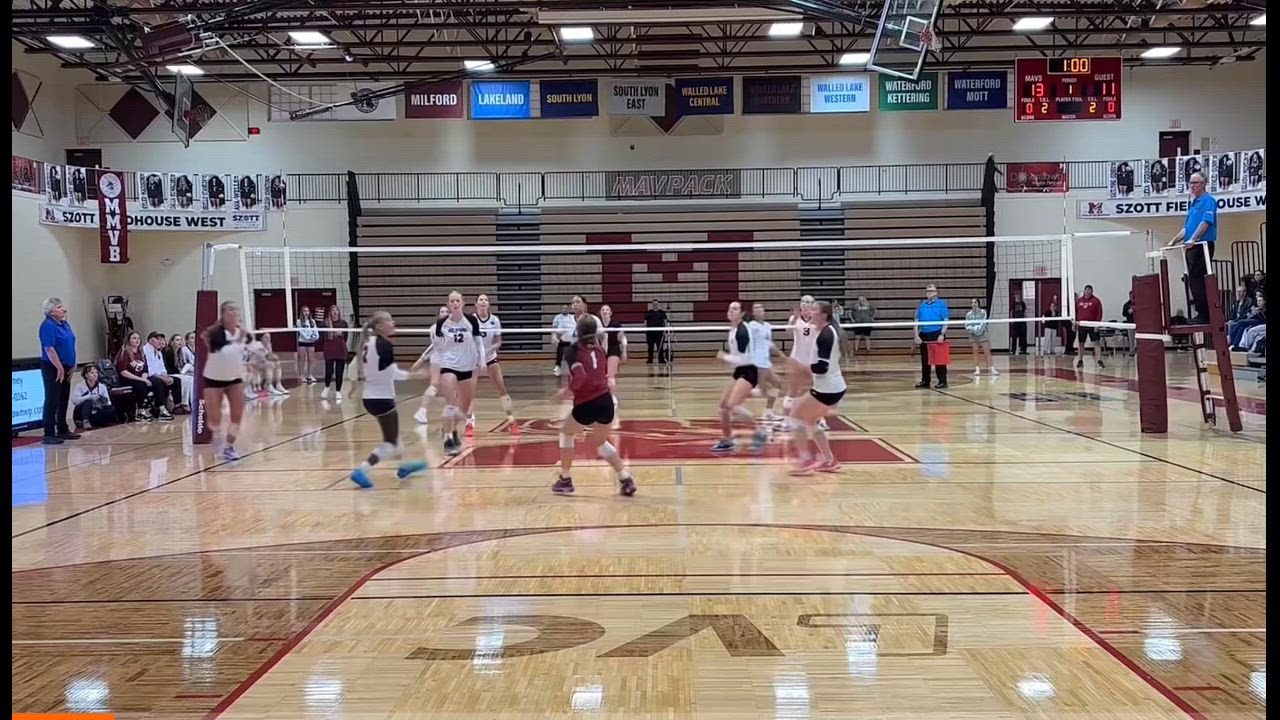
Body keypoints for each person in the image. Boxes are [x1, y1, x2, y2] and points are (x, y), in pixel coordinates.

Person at [551, 314, 637, 497]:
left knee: (566, 433)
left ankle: (565, 479)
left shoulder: (572, 350)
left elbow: (581, 376)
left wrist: (567, 391)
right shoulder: (599, 349)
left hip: (587, 403)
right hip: (606, 401)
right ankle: (625, 478)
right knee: (600, 441)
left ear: (578, 330)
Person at [349, 311, 429, 488]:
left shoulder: (367, 343)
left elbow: (359, 369)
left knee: (394, 435)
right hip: (382, 399)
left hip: (370, 398)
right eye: (389, 321)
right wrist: (417, 375)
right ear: (379, 326)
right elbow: (394, 374)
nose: (393, 322)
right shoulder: (384, 345)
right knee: (390, 442)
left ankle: (403, 467)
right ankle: (363, 469)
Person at [788, 300, 847, 476]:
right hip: (830, 387)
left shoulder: (825, 336)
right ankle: (830, 460)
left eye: (814, 310)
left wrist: (801, 367)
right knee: (809, 421)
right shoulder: (824, 331)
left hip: (827, 389)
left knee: (795, 416)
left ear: (823, 315)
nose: (810, 312)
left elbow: (822, 368)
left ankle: (805, 462)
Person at [711, 301, 769, 455]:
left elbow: (746, 358)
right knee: (724, 406)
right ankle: (727, 440)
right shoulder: (733, 329)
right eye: (730, 308)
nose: (731, 311)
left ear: (742, 314)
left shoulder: (742, 331)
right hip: (739, 370)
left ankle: (760, 431)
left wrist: (724, 357)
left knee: (733, 406)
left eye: (735, 309)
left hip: (749, 370)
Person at [434, 291, 484, 456]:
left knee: (463, 408)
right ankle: (447, 439)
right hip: (448, 364)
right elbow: (437, 347)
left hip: (467, 365)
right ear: (448, 304)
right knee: (450, 403)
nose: (455, 304)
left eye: (457, 301)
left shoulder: (471, 321)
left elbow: (479, 342)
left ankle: (451, 429)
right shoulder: (442, 323)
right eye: (452, 301)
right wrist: (436, 367)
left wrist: (482, 360)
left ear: (463, 303)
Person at [1167, 172, 1217, 323]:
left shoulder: (1209, 201)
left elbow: (1206, 222)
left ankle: (1205, 315)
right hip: (1192, 248)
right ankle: (1201, 313)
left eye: (1195, 183)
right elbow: (1186, 228)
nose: (1192, 186)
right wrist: (1173, 241)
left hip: (1202, 246)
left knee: (1198, 279)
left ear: (1203, 184)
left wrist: (1194, 239)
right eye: (1191, 183)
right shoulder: (1193, 203)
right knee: (1193, 280)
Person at [202, 301, 248, 461]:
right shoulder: (214, 333)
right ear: (223, 314)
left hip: (234, 378)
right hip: (214, 378)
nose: (234, 312)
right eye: (230, 309)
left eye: (236, 309)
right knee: (215, 417)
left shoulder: (242, 334)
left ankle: (229, 447)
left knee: (237, 416)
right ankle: (216, 435)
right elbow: (212, 342)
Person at [467, 293, 517, 433]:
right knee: (470, 392)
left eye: (485, 300)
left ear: (488, 304)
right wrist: (477, 353)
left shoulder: (495, 320)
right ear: (476, 304)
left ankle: (511, 420)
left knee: (502, 388)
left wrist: (486, 351)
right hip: (474, 360)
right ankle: (469, 423)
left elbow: (498, 342)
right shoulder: (470, 320)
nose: (483, 302)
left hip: (490, 358)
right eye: (480, 300)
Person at [38, 297, 80, 444]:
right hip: (53, 367)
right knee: (52, 398)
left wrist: (74, 363)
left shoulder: (65, 324)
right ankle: (48, 433)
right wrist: (59, 367)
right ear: (51, 311)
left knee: (63, 398)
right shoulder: (48, 326)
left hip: (66, 366)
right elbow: (49, 348)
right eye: (59, 307)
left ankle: (62, 428)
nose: (64, 310)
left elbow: (71, 343)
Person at [412, 306, 450, 427]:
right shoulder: (434, 328)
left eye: (447, 311)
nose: (444, 313)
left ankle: (450, 412)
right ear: (438, 314)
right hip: (438, 358)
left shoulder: (454, 327)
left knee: (450, 386)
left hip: (450, 359)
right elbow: (435, 346)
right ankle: (422, 411)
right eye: (442, 311)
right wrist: (422, 358)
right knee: (434, 385)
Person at [116, 331, 166, 421]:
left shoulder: (141, 353)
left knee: (157, 381)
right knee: (141, 385)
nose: (137, 340)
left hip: (141, 377)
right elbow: (123, 372)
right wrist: (141, 380)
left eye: (138, 338)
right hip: (128, 378)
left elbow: (145, 369)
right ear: (128, 340)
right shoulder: (124, 352)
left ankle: (161, 408)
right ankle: (140, 411)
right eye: (134, 338)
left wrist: (144, 378)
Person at [748, 302, 784, 421]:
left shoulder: (768, 326)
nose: (758, 310)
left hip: (766, 361)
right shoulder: (751, 326)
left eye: (760, 308)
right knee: (766, 388)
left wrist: (781, 354)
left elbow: (769, 343)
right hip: (757, 361)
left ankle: (768, 412)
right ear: (753, 313)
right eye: (756, 308)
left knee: (777, 383)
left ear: (764, 311)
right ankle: (739, 397)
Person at [783, 295, 817, 420]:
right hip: (796, 358)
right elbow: (787, 331)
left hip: (812, 359)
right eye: (803, 302)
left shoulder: (817, 319)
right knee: (792, 389)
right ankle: (786, 419)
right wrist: (794, 320)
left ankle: (818, 418)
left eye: (808, 303)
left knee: (816, 389)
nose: (805, 305)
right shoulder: (794, 318)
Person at [914, 284, 950, 389]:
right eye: (928, 291)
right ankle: (925, 381)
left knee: (939, 359)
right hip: (924, 334)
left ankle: (942, 381)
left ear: (936, 292)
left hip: (937, 333)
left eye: (931, 291)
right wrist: (916, 335)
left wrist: (942, 334)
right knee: (925, 360)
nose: (929, 293)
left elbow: (946, 320)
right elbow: (916, 321)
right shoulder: (922, 305)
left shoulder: (941, 304)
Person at [599, 304, 627, 422]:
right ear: (600, 313)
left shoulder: (616, 324)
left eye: (607, 310)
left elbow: (623, 338)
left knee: (610, 377)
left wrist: (624, 351)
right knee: (601, 379)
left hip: (614, 352)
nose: (605, 311)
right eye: (603, 310)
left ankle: (613, 400)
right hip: (600, 353)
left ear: (610, 313)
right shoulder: (598, 325)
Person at [72, 365, 118, 430]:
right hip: (83, 411)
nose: (95, 375)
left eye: (96, 373)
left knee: (111, 409)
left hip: (96, 409)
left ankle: (97, 421)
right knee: (88, 401)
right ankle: (85, 421)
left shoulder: (102, 386)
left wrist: (101, 401)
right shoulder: (80, 386)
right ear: (86, 375)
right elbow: (75, 401)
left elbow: (108, 402)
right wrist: (89, 397)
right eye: (92, 373)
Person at [320, 305, 348, 399]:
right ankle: (326, 387)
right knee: (329, 371)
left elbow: (345, 337)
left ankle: (338, 391)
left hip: (340, 350)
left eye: (336, 310)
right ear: (330, 312)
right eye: (333, 310)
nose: (335, 312)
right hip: (329, 350)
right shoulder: (325, 323)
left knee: (339, 372)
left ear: (339, 312)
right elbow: (320, 334)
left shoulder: (344, 323)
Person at [1074, 285, 1105, 369]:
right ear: (1084, 291)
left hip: (1092, 325)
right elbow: (1075, 313)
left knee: (1096, 343)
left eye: (1089, 290)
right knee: (1081, 343)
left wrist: (1097, 324)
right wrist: (1074, 323)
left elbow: (1099, 313)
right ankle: (1080, 360)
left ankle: (1099, 360)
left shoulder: (1096, 301)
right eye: (1086, 290)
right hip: (1082, 325)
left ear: (1092, 291)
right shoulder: (1079, 301)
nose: (1087, 291)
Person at [965, 299, 997, 376]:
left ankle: (992, 369)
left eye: (975, 302)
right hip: (973, 335)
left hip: (982, 334)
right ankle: (977, 369)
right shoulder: (968, 314)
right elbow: (967, 325)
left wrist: (978, 330)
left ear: (978, 303)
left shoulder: (983, 312)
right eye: (972, 303)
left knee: (987, 352)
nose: (973, 304)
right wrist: (973, 330)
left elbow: (983, 323)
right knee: (975, 352)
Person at [296, 306, 320, 383]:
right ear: (302, 312)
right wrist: (307, 337)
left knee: (311, 359)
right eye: (304, 311)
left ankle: (310, 375)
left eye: (307, 311)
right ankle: (301, 375)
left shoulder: (312, 321)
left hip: (311, 342)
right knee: (302, 359)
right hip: (302, 341)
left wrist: (316, 337)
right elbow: (301, 331)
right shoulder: (299, 321)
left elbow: (315, 330)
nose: (306, 312)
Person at [550, 304, 575, 376]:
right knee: (560, 352)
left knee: (571, 354)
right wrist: (554, 337)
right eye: (563, 308)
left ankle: (573, 368)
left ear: (568, 309)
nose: (565, 309)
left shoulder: (572, 317)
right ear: (561, 309)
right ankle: (558, 366)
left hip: (570, 338)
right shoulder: (557, 317)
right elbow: (554, 328)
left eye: (566, 308)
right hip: (561, 338)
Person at [643, 299, 667, 364]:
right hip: (650, 333)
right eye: (654, 304)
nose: (655, 305)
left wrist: (664, 331)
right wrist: (645, 330)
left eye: (656, 304)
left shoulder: (662, 313)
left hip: (659, 333)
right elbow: (645, 322)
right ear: (652, 304)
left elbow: (665, 322)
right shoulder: (648, 313)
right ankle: (650, 359)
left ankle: (661, 359)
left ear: (658, 304)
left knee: (660, 347)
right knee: (650, 347)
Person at [1009, 291, 1029, 355]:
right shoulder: (1013, 303)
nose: (1018, 296)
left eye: (1019, 295)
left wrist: (1025, 319)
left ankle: (1023, 350)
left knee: (1023, 336)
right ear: (1015, 296)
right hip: (1015, 322)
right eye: (1017, 295)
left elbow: (1025, 312)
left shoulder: (1023, 303)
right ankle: (1013, 350)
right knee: (1014, 337)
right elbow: (1011, 312)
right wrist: (1011, 319)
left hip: (1022, 322)